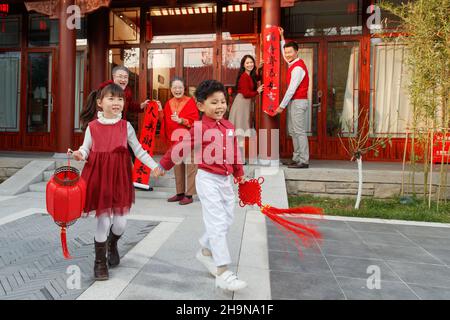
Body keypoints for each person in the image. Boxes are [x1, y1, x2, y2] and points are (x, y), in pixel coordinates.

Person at [155, 80, 248, 291]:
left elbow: (234, 152)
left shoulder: (229, 127)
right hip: (207, 180)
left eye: (223, 101)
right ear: (201, 106)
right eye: (214, 102)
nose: (220, 106)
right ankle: (223, 272)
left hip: (225, 181)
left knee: (226, 219)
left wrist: (239, 174)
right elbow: (180, 147)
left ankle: (205, 251)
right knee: (216, 223)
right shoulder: (199, 128)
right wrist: (163, 164)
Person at [70, 83, 162, 281]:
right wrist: (79, 154)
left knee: (120, 223)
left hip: (120, 178)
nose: (116, 102)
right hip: (98, 177)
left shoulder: (125, 126)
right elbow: (85, 149)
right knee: (103, 220)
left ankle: (112, 244)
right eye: (111, 98)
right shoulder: (92, 127)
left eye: (120, 99)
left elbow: (138, 150)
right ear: (100, 103)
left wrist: (154, 166)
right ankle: (100, 262)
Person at [159, 77, 200, 205]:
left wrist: (181, 120)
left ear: (184, 89)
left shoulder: (190, 102)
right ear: (171, 89)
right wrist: (160, 110)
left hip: (189, 139)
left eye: (180, 87)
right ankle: (180, 193)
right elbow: (164, 121)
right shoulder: (168, 103)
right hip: (175, 140)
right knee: (178, 167)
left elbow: (195, 121)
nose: (178, 90)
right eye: (175, 88)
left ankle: (189, 195)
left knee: (190, 166)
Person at [274, 28, 310, 169]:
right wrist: (282, 36)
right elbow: (284, 52)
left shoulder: (297, 68)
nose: (287, 54)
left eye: (290, 52)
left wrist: (281, 106)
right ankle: (296, 158)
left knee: (299, 131)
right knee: (294, 131)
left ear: (297, 52)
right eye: (286, 52)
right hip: (295, 102)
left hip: (298, 102)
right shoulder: (292, 63)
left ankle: (304, 160)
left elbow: (291, 90)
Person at [228, 55, 264, 161]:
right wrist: (257, 91)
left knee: (241, 131)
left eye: (251, 62)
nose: (250, 64)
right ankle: (239, 159)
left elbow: (257, 78)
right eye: (247, 63)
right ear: (243, 65)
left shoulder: (250, 75)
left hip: (244, 104)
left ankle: (239, 158)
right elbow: (246, 93)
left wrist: (260, 68)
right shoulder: (244, 76)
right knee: (240, 131)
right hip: (241, 104)